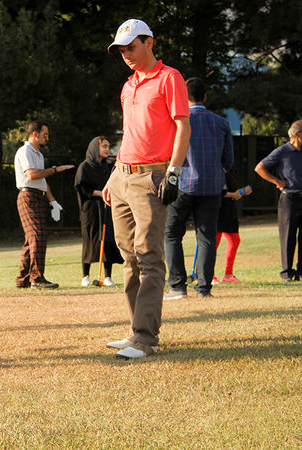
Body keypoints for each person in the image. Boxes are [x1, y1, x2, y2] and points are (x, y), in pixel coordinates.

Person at [103, 19, 191, 359]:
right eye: (121, 50)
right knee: (128, 256)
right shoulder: (128, 85)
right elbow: (130, 134)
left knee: (149, 256)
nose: (126, 54)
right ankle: (134, 330)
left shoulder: (171, 78)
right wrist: (114, 173)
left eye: (132, 47)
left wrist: (174, 171)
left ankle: (145, 338)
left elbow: (183, 126)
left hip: (153, 176)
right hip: (123, 176)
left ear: (149, 43)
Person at [164, 77, 234, 300]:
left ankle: (177, 286)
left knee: (172, 234)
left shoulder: (177, 121)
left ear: (184, 97)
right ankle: (204, 289)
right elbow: (229, 161)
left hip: (183, 184)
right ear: (205, 96)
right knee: (207, 237)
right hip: (212, 186)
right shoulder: (222, 123)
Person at [14, 120, 74, 289]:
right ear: (35, 134)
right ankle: (36, 278)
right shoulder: (25, 151)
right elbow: (33, 175)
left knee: (31, 239)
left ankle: (22, 278)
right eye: (45, 134)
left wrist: (52, 201)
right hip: (28, 196)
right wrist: (56, 169)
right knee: (37, 237)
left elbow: (42, 180)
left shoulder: (38, 154)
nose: (47, 138)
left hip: (38, 196)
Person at [255, 120, 302, 282]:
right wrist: (277, 181)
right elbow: (259, 168)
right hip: (289, 199)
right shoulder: (282, 151)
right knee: (288, 236)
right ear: (298, 135)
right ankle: (287, 272)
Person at [74, 136, 123, 287]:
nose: (107, 149)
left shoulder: (107, 167)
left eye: (108, 146)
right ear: (96, 148)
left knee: (107, 239)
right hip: (91, 210)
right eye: (104, 147)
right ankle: (85, 276)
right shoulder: (85, 167)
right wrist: (99, 193)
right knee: (90, 240)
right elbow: (81, 186)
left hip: (106, 207)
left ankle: (108, 276)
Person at [212, 168, 252, 284]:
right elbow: (217, 191)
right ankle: (209, 275)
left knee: (235, 240)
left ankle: (228, 275)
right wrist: (234, 194)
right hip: (217, 209)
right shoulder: (215, 167)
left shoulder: (230, 169)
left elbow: (229, 189)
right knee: (213, 243)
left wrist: (240, 191)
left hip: (229, 209)